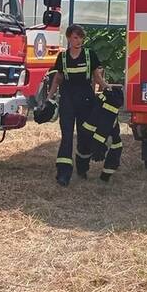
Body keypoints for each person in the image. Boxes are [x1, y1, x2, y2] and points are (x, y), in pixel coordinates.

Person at [48, 24, 106, 186]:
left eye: (80, 37)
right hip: (67, 100)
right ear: (68, 38)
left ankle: (82, 168)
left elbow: (98, 78)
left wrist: (106, 89)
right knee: (66, 136)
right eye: (75, 37)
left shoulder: (90, 55)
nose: (78, 40)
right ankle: (63, 173)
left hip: (86, 101)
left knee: (84, 135)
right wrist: (49, 97)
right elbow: (58, 79)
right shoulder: (63, 57)